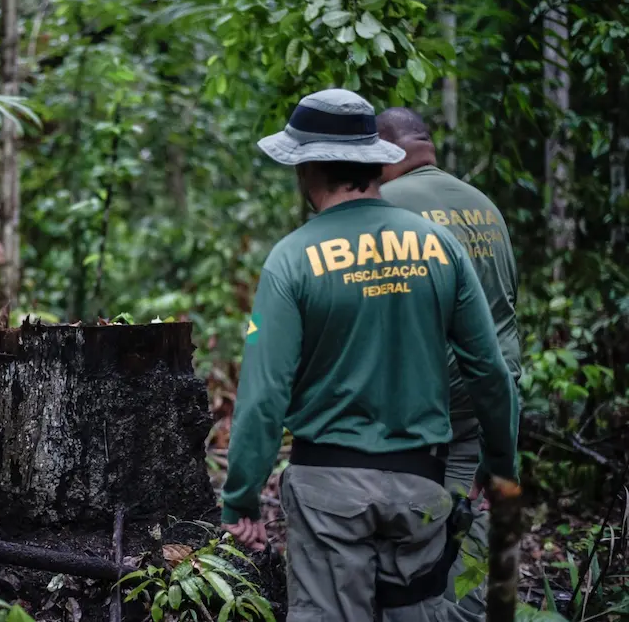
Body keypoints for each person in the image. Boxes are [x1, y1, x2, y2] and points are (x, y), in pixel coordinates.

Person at [220, 88, 519, 621]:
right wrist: (500, 464)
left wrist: (241, 499)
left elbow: (265, 395)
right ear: (373, 164)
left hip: (326, 494)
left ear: (307, 168)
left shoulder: (291, 260)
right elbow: (490, 371)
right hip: (422, 486)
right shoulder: (439, 247)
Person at [377, 107, 522, 618]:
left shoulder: (383, 207)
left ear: (385, 151)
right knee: (468, 548)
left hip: (422, 411)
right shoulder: (485, 206)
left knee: (404, 562)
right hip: (488, 404)